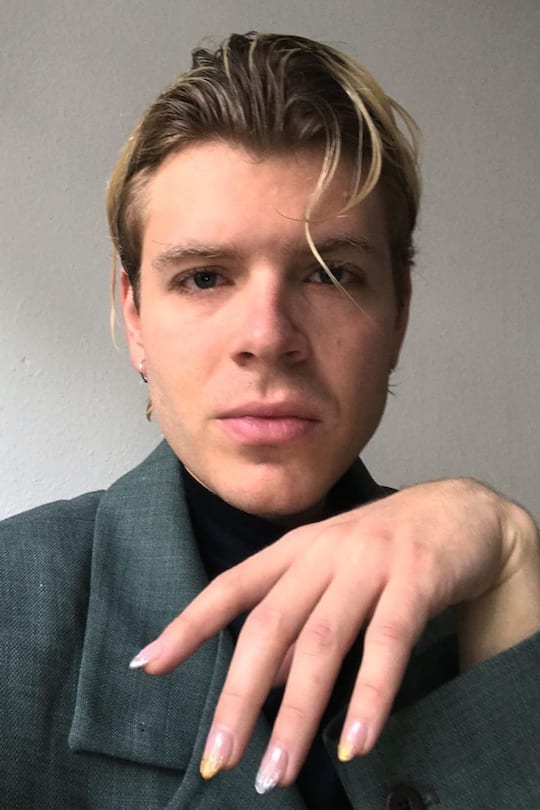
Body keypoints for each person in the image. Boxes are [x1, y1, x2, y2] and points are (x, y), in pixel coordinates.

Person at [1, 31, 539, 810]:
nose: (267, 336)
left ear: (398, 314)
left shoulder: (493, 605)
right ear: (135, 315)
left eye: (331, 274)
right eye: (204, 277)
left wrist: (511, 560)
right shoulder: (14, 612)